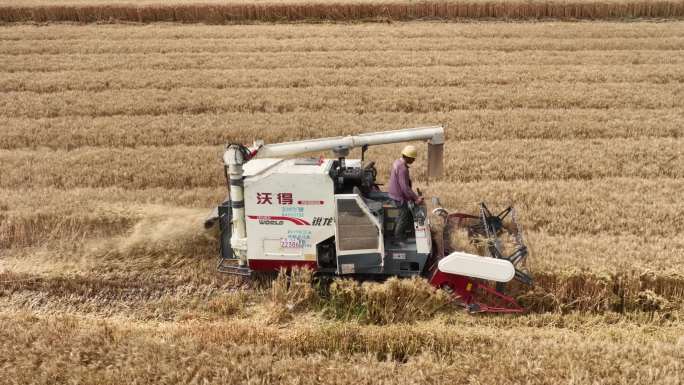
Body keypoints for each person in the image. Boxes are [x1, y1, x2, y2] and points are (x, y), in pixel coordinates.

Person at [388, 145, 424, 243]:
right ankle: (398, 238)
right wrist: (416, 198)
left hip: (393, 193)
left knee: (401, 215)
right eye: (412, 158)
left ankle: (395, 233)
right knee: (404, 215)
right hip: (398, 196)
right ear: (407, 157)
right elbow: (404, 187)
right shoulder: (403, 168)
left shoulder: (397, 162)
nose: (413, 160)